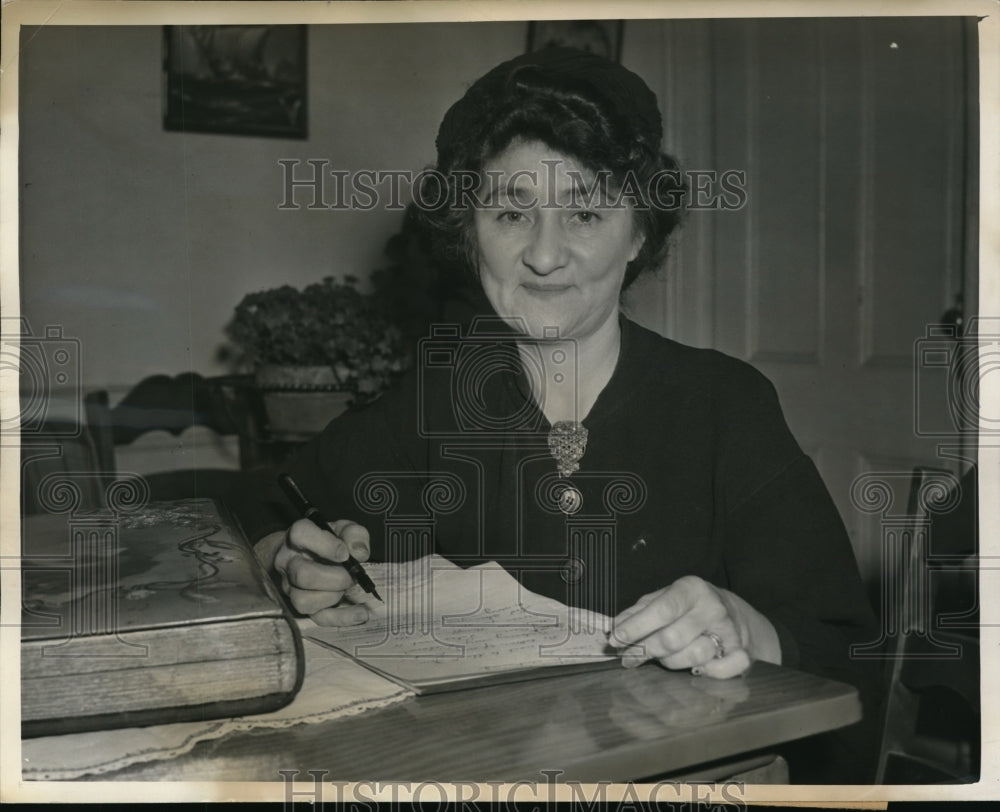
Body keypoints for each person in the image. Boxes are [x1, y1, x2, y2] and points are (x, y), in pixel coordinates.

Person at [239, 47, 880, 780]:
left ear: (639, 232)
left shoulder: (724, 405)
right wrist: (289, 561)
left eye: (585, 211)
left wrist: (750, 627)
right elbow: (256, 515)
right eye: (511, 212)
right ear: (467, 229)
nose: (545, 255)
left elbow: (845, 654)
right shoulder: (434, 399)